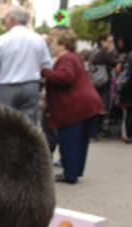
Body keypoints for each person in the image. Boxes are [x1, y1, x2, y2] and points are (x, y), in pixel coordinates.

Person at [41, 28, 103, 184]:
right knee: (79, 142)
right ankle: (74, 171)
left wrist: (44, 72)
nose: (52, 46)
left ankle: (70, 174)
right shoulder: (75, 57)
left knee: (69, 140)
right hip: (87, 104)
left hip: (75, 106)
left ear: (62, 44)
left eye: (54, 43)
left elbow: (66, 77)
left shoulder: (66, 59)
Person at [0, 8, 52, 125]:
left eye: (5, 20)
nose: (4, 23)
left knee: (4, 123)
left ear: (12, 20)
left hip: (5, 87)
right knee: (28, 125)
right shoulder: (38, 39)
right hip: (31, 87)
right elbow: (47, 66)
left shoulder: (3, 39)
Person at [90, 33, 117, 138]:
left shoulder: (95, 51)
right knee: (101, 107)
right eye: (109, 41)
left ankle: (95, 131)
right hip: (102, 82)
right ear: (102, 41)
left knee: (99, 106)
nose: (111, 44)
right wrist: (111, 50)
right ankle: (96, 131)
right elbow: (114, 62)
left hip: (97, 81)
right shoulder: (102, 53)